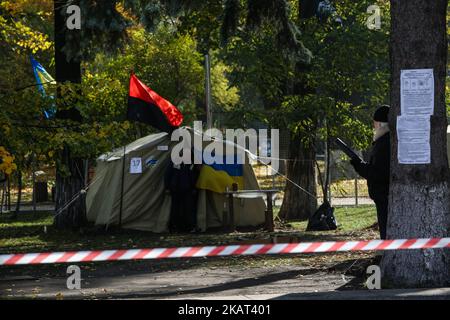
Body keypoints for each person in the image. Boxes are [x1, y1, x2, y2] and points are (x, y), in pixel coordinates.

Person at [350, 105, 390, 239]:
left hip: (384, 194)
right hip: (383, 193)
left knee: (386, 228)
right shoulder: (386, 141)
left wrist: (359, 165)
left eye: (374, 123)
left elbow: (376, 172)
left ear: (379, 123)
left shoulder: (384, 143)